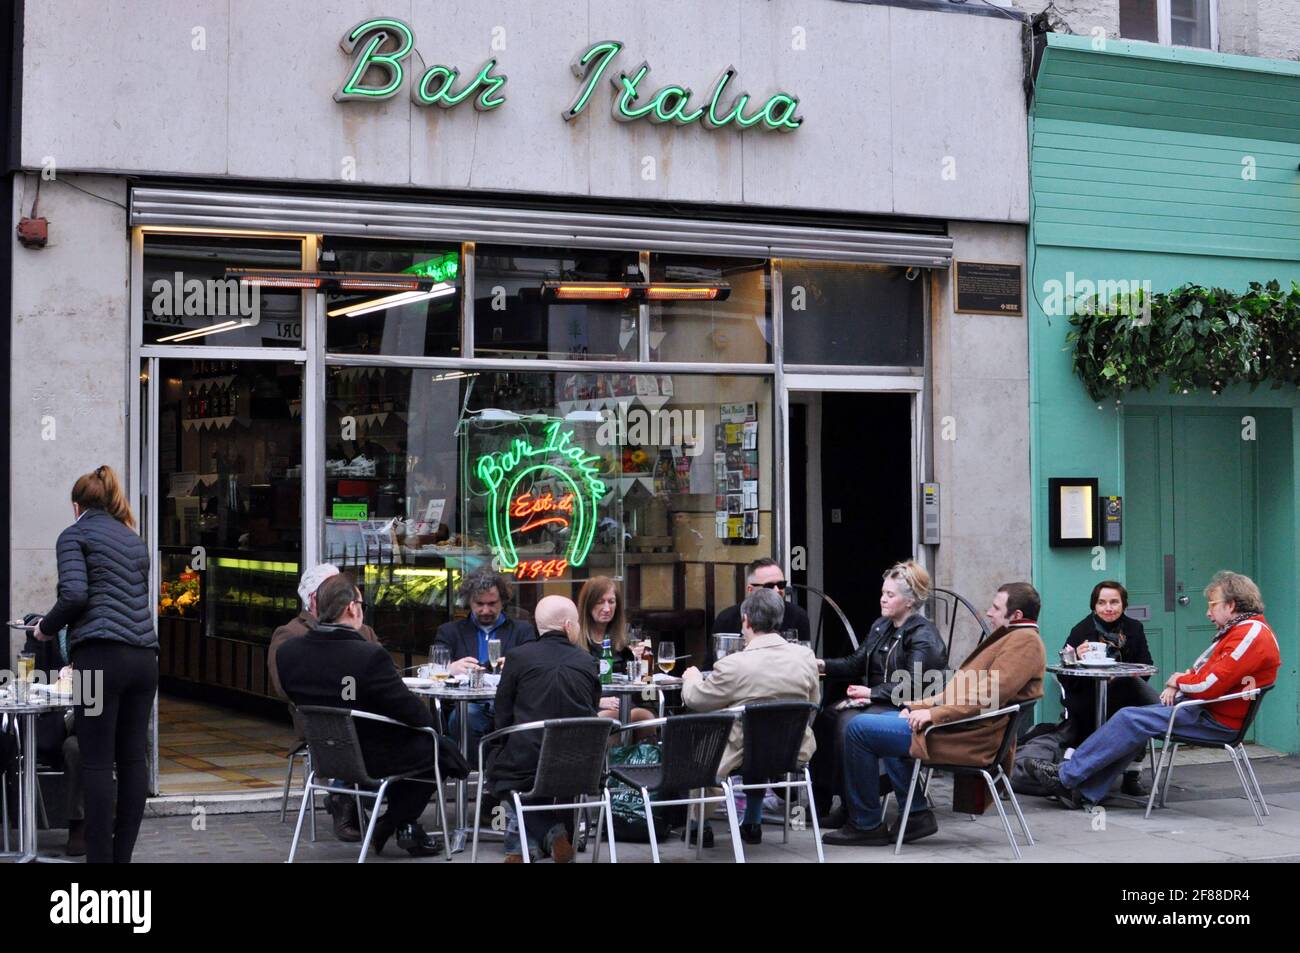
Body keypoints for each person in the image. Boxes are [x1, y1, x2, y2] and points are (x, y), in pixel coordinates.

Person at [1027, 571, 1281, 809]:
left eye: (1212, 605)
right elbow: (1202, 673)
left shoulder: (1249, 634)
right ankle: (1083, 790)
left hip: (1211, 718)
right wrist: (1182, 680)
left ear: (1231, 605)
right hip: (1201, 710)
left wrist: (1177, 681)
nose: (1208, 613)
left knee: (1130, 717)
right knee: (1132, 719)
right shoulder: (1241, 631)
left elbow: (1208, 684)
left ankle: (1066, 777)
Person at [824, 582, 1046, 847]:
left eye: (996, 608)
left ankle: (866, 824)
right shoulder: (1014, 637)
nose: (989, 612)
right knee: (879, 722)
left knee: (859, 729)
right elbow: (959, 692)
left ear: (1017, 615)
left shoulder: (1025, 643)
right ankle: (916, 814)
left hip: (969, 737)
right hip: (958, 727)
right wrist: (916, 706)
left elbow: (989, 697)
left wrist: (935, 715)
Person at [276, 573, 467, 856]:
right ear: (352, 608)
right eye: (362, 603)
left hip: (325, 754)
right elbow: (416, 715)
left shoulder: (289, 652)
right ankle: (390, 824)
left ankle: (403, 827)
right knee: (440, 749)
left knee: (430, 747)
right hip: (371, 755)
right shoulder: (367, 655)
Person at [29, 465, 158, 864]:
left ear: (76, 506)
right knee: (133, 758)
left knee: (97, 759)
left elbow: (75, 595)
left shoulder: (74, 535)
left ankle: (99, 860)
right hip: (144, 660)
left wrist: (45, 629)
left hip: (100, 660)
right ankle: (122, 857)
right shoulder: (133, 540)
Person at [681, 587, 821, 846]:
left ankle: (700, 825)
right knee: (758, 732)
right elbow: (813, 703)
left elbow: (697, 700)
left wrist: (691, 678)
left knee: (704, 740)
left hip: (743, 752)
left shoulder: (734, 664)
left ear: (745, 619)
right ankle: (753, 822)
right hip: (793, 749)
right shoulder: (806, 657)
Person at [812, 561, 946, 828]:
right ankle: (826, 800)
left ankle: (855, 806)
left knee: (846, 723)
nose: (882, 599)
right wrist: (822, 665)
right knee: (826, 717)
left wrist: (872, 693)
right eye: (883, 593)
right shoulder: (881, 626)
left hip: (907, 707)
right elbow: (856, 663)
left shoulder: (924, 635)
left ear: (909, 602)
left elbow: (915, 684)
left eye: (890, 595)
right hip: (877, 701)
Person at [268, 563, 387, 842]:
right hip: (319, 722)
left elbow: (388, 674)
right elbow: (284, 688)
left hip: (367, 716)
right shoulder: (291, 635)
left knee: (410, 736)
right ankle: (346, 797)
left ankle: (364, 804)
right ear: (315, 600)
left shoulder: (364, 631)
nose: (349, 603)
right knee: (377, 736)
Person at [487, 595, 601, 863]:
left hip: (527, 764)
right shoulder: (586, 661)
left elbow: (501, 715)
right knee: (519, 770)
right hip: (582, 766)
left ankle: (539, 840)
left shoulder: (518, 657)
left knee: (499, 774)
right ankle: (546, 842)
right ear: (567, 625)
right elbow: (592, 709)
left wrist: (500, 746)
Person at [1060, 579, 1159, 796]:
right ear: (1094, 606)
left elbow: (1147, 665)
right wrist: (1076, 655)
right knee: (1085, 711)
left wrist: (1123, 675)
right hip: (1088, 692)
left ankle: (1132, 774)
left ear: (1123, 604)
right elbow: (1064, 668)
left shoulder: (1134, 628)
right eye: (1102, 603)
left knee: (1139, 710)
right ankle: (1081, 774)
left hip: (1124, 691)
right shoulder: (1082, 629)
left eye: (1114, 602)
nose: (1108, 608)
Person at [0, 623, 84, 855]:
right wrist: (60, 676)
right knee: (71, 747)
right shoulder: (43, 633)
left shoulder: (95, 632)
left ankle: (78, 826)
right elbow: (27, 678)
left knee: (78, 748)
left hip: (87, 721)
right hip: (52, 721)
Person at [434, 568, 536, 754]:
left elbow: (535, 669)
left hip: (511, 705)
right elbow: (433, 672)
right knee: (465, 717)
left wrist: (517, 667)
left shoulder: (523, 631)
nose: (485, 610)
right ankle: (474, 777)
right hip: (467, 706)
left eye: (492, 603)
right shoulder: (450, 632)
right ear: (469, 601)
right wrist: (450, 668)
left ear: (503, 601)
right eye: (479, 603)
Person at [576, 576, 655, 734]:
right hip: (589, 707)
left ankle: (645, 759)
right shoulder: (575, 641)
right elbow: (568, 686)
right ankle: (611, 759)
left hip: (625, 704)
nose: (607, 608)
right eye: (600, 602)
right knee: (612, 720)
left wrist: (645, 665)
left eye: (611, 602)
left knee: (646, 718)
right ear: (587, 605)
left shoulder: (625, 641)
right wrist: (598, 700)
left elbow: (648, 693)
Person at [709, 558, 810, 665]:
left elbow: (805, 662)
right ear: (750, 589)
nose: (777, 590)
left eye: (781, 584)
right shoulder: (727, 618)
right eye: (769, 586)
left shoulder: (798, 615)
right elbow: (711, 665)